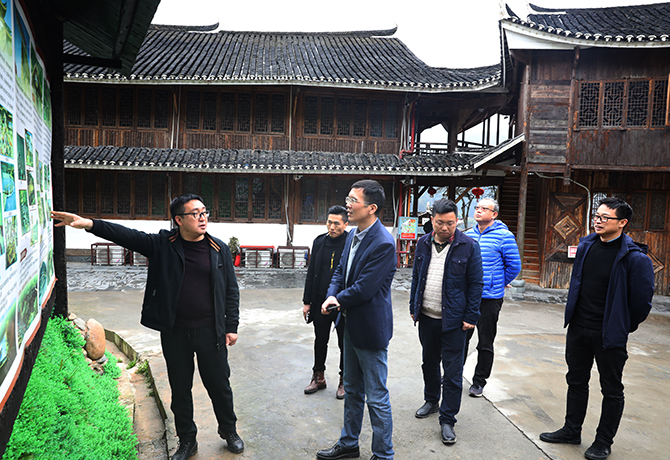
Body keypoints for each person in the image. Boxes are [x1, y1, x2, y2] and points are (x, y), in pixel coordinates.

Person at [52, 193, 244, 460]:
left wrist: (231, 326)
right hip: (175, 332)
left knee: (219, 386)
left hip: (211, 331)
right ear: (179, 220)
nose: (202, 218)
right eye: (195, 214)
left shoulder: (218, 248)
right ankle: (187, 440)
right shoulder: (163, 244)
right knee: (180, 389)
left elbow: (231, 290)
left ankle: (229, 430)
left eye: (204, 212)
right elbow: (127, 235)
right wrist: (89, 224)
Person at [539, 197, 654, 460]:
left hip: (608, 334)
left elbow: (641, 302)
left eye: (605, 217)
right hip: (578, 328)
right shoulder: (587, 245)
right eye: (597, 216)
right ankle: (571, 430)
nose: (598, 221)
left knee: (611, 389)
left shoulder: (635, 258)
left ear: (622, 223)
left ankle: (603, 441)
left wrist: (623, 326)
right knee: (576, 381)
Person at [316, 180, 397, 460]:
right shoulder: (353, 234)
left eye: (353, 200)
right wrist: (331, 294)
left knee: (376, 396)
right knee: (351, 389)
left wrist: (336, 300)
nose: (347, 205)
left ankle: (383, 454)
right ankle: (349, 443)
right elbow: (340, 271)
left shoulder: (383, 243)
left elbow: (365, 288)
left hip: (370, 329)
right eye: (347, 199)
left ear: (372, 208)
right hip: (349, 324)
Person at [409, 198, 483, 445]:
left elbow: (476, 284)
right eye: (440, 222)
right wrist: (413, 307)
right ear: (432, 220)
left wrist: (470, 316)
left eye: (450, 223)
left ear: (457, 221)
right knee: (429, 362)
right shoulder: (423, 243)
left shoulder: (468, 246)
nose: (445, 227)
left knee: (452, 372)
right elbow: (417, 276)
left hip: (454, 322)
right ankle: (431, 400)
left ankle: (448, 419)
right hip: (427, 317)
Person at [463, 198, 521, 397]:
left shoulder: (504, 236)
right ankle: (453, 375)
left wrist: (498, 281)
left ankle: (479, 382)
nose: (478, 211)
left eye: (484, 208)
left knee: (485, 342)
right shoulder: (468, 235)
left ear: (494, 214)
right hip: (468, 296)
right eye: (477, 207)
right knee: (461, 338)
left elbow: (514, 265)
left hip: (490, 298)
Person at [302, 205, 349, 399]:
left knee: (344, 343)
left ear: (345, 224)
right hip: (320, 301)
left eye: (336, 223)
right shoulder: (319, 242)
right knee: (320, 340)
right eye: (329, 222)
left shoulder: (350, 243)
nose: (332, 227)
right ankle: (318, 376)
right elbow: (311, 272)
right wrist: (307, 301)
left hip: (342, 303)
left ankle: (344, 380)